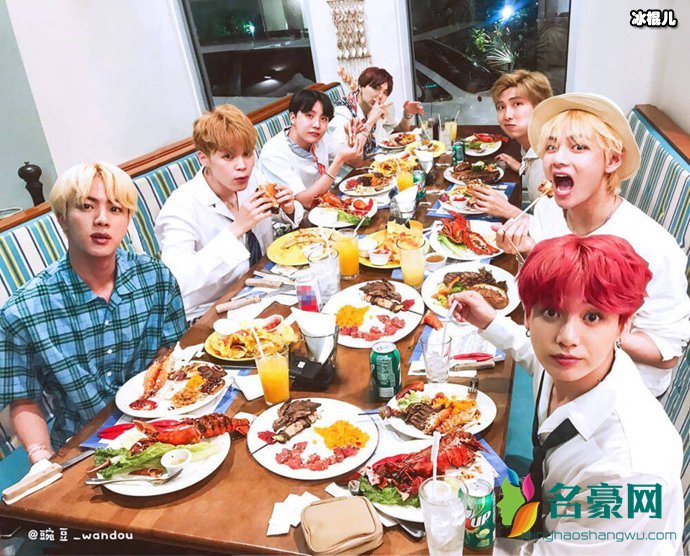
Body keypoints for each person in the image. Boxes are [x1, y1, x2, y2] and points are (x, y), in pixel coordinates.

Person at [451, 235, 683, 555]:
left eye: (592, 317)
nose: (567, 338)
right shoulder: (578, 366)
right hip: (548, 516)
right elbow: (531, 353)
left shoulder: (628, 469)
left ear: (622, 326)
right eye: (551, 312)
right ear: (528, 315)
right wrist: (489, 321)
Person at [494, 93, 690, 395]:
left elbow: (667, 353)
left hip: (617, 397)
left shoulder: (653, 247)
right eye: (551, 147)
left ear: (612, 160)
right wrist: (530, 249)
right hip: (556, 377)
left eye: (578, 147)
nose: (558, 158)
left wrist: (599, 329)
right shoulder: (547, 209)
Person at [0, 163, 187, 460]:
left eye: (115, 209)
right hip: (82, 446)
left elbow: (170, 354)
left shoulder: (156, 277)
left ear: (128, 218)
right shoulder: (24, 310)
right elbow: (23, 398)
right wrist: (41, 457)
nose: (102, 219)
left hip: (161, 423)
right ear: (61, 217)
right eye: (87, 207)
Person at [156, 104, 303, 322]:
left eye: (247, 154)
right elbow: (177, 280)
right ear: (204, 158)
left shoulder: (253, 179)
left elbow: (279, 216)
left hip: (262, 287)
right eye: (228, 156)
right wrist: (236, 229)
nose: (242, 165)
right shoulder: (180, 208)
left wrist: (288, 208)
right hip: (211, 311)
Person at [258, 89, 362, 208]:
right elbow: (307, 202)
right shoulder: (273, 153)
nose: (317, 125)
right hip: (295, 216)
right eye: (309, 115)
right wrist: (339, 161)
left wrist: (351, 139)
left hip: (323, 207)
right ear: (293, 117)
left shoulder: (322, 138)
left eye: (323, 118)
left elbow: (356, 163)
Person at [471, 69, 553, 218]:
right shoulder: (528, 141)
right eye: (501, 107)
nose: (507, 116)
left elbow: (556, 228)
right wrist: (522, 167)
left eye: (517, 104)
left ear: (540, 107)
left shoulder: (552, 160)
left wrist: (507, 210)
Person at [329, 66, 424, 159]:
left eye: (385, 92)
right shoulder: (343, 111)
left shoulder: (378, 108)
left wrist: (407, 113)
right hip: (355, 167)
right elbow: (345, 156)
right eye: (376, 88)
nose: (380, 96)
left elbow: (400, 130)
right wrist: (371, 121)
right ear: (360, 86)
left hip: (377, 159)